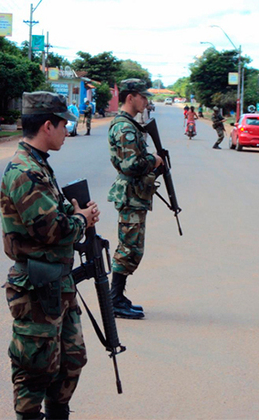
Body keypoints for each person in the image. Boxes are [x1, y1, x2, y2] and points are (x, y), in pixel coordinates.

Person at [0, 91, 100, 419]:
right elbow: (51, 229)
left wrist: (76, 215)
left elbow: (56, 220)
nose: (67, 132)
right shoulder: (25, 171)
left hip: (58, 282)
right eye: (63, 125)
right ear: (47, 126)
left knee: (71, 360)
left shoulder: (39, 166)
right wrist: (81, 220)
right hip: (35, 285)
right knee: (35, 369)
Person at [107, 78, 164, 320]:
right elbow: (131, 165)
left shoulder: (130, 125)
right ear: (130, 97)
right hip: (130, 195)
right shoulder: (125, 128)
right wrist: (155, 161)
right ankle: (114, 299)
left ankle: (118, 297)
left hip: (135, 195)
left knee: (133, 248)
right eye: (142, 96)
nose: (146, 101)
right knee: (129, 248)